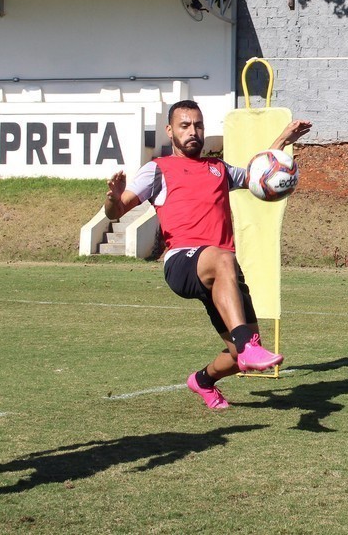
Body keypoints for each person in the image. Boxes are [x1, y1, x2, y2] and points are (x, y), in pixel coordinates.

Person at [105, 100, 312, 409]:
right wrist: (112, 197)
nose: (193, 132)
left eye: (198, 125)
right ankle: (247, 345)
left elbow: (261, 175)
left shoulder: (218, 168)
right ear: (170, 131)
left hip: (221, 272)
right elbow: (116, 211)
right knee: (224, 262)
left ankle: (203, 381)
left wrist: (283, 140)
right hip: (183, 261)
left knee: (235, 357)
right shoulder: (157, 170)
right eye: (185, 126)